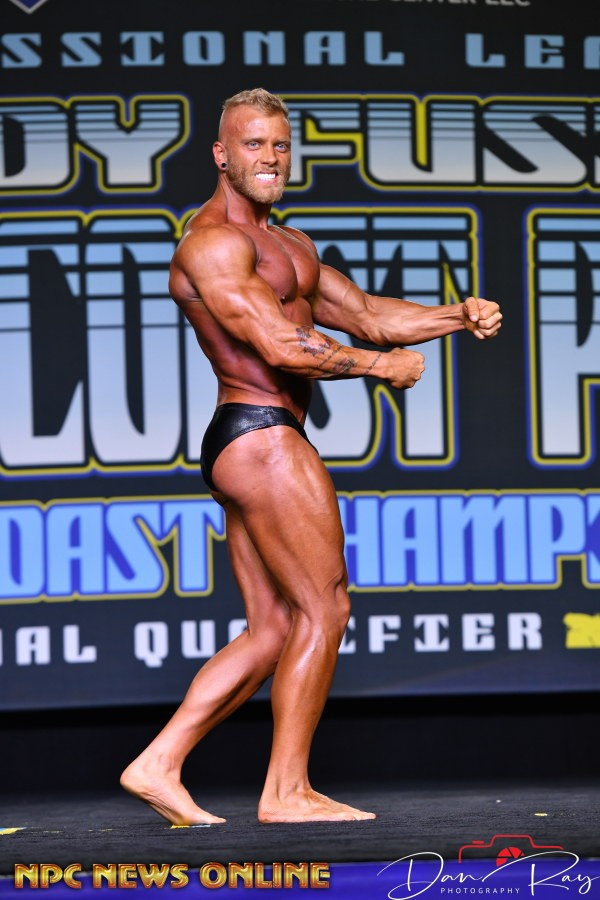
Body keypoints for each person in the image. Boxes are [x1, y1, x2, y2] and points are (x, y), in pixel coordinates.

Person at [120, 87, 502, 825]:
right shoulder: (211, 244)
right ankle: (287, 792)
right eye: (253, 144)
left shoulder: (290, 245)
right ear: (221, 155)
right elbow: (279, 346)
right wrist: (379, 369)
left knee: (273, 629)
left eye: (280, 145)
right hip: (261, 434)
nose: (270, 158)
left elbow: (369, 315)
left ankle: (158, 763)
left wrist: (458, 315)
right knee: (325, 607)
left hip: (252, 438)